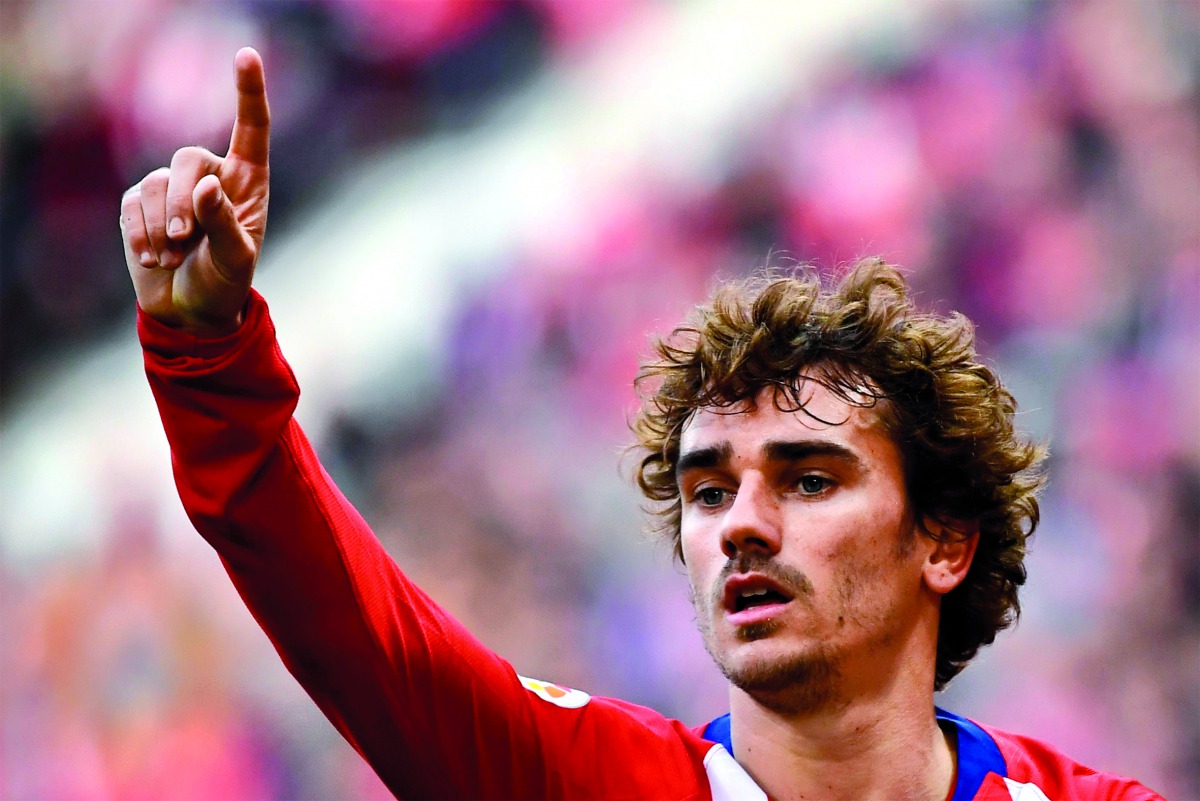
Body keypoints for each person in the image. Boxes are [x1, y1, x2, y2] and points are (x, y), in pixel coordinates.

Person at [120, 48, 1163, 801]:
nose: (740, 526)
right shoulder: (584, 784)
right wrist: (208, 353)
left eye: (808, 479)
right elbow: (350, 624)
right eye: (710, 490)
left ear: (942, 538)